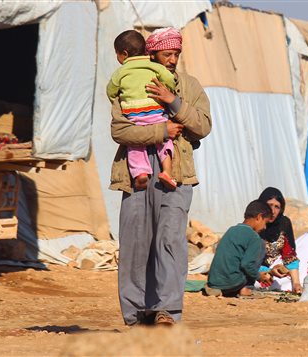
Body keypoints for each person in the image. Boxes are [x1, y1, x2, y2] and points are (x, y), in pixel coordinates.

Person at [109, 27, 212, 326]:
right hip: (135, 173)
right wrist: (159, 131)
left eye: (177, 54)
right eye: (168, 54)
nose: (173, 59)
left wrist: (173, 102)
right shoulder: (131, 83)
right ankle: (136, 316)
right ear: (150, 54)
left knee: (169, 241)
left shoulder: (189, 86)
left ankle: (168, 311)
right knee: (135, 244)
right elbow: (119, 130)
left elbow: (203, 126)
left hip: (175, 172)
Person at [107, 30, 178, 190]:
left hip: (133, 116)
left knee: (135, 145)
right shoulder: (154, 67)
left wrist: (120, 100)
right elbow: (168, 79)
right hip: (155, 112)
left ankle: (140, 173)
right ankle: (167, 171)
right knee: (165, 140)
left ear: (124, 54)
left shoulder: (120, 72)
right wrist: (168, 89)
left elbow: (111, 90)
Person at [206, 200, 274, 297]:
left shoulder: (231, 229)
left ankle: (217, 289)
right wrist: (259, 277)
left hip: (214, 282)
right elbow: (247, 265)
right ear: (259, 217)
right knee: (261, 247)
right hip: (232, 283)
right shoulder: (254, 237)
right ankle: (246, 289)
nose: (265, 227)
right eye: (265, 222)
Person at [257, 187, 303, 294]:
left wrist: (296, 283)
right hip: (259, 273)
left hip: (279, 265)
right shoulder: (255, 223)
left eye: (277, 207)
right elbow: (248, 263)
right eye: (269, 205)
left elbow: (289, 255)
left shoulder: (284, 223)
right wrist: (270, 272)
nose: (273, 211)